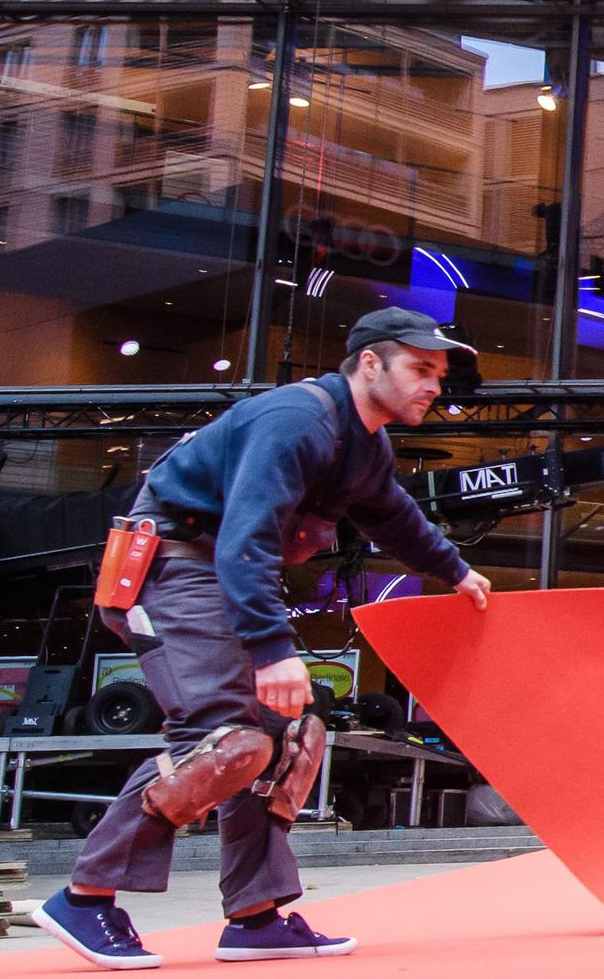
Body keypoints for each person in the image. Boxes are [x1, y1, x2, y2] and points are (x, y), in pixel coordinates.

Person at [34, 308, 495, 969]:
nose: (434, 385)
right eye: (420, 368)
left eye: (439, 374)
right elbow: (245, 538)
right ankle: (84, 897)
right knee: (223, 742)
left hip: (215, 570)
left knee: (288, 739)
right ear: (370, 364)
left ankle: (254, 918)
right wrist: (272, 650)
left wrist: (455, 571)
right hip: (172, 567)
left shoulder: (365, 445)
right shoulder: (297, 420)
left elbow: (392, 514)